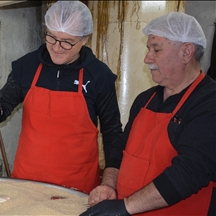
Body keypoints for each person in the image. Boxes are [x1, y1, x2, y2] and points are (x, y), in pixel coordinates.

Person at [81, 12, 216, 216]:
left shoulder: (209, 101)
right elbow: (120, 150)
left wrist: (125, 206)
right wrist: (109, 185)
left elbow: (189, 171)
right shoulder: (145, 99)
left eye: (156, 50)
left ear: (186, 52)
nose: (147, 58)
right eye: (148, 49)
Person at [0, 0, 123, 194]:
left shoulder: (99, 75)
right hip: (27, 185)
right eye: (52, 37)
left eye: (67, 42)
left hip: (76, 188)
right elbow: (0, 111)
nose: (57, 47)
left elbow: (112, 131)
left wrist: (109, 183)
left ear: (85, 39)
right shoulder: (27, 66)